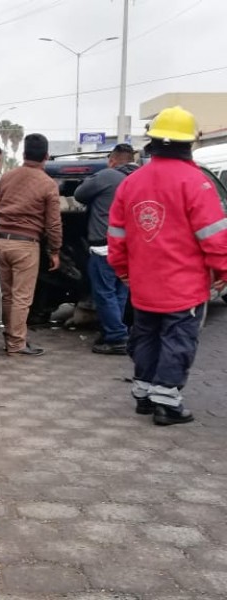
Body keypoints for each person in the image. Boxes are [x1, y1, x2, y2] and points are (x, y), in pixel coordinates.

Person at [108, 106, 227, 425]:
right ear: (189, 143)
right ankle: (167, 402)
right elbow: (214, 237)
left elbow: (116, 235)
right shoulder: (197, 182)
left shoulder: (131, 183)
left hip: (144, 283)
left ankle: (144, 394)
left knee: (145, 335)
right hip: (183, 285)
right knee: (178, 339)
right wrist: (224, 270)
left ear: (153, 142)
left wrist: (123, 270)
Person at [0, 133, 62, 356]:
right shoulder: (48, 184)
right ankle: (16, 344)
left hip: (4, 241)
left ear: (23, 154)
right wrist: (55, 250)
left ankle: (9, 338)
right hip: (26, 245)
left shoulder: (7, 177)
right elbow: (53, 223)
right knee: (22, 297)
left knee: (8, 296)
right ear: (46, 156)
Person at [74, 143, 139, 355]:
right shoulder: (143, 178)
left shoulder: (107, 176)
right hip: (134, 247)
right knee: (121, 292)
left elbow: (80, 194)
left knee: (104, 293)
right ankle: (113, 331)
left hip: (106, 246)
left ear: (112, 160)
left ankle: (117, 336)